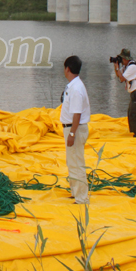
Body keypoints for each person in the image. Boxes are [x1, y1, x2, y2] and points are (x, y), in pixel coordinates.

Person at [61, 55, 91, 205]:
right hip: (71, 128)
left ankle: (82, 198)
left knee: (77, 162)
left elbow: (77, 114)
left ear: (67, 69)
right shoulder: (73, 85)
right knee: (71, 161)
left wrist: (72, 133)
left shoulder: (76, 88)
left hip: (75, 129)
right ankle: (75, 192)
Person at [113, 49, 136, 138]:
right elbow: (119, 77)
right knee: (130, 112)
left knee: (134, 113)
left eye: (121, 59)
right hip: (134, 93)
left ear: (126, 58)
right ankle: (132, 133)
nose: (121, 61)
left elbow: (122, 79)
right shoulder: (126, 66)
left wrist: (117, 67)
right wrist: (116, 67)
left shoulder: (132, 67)